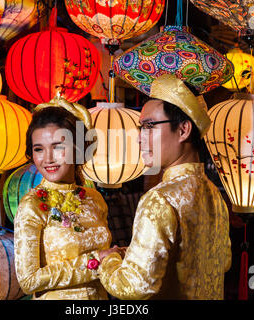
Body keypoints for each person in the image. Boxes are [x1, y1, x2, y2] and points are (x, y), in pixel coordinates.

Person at [98, 73, 232, 300]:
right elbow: (223, 261)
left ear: (183, 130)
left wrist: (108, 261)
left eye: (149, 126)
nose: (140, 138)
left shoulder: (160, 199)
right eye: (140, 128)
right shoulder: (213, 193)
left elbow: (135, 287)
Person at [14, 96, 112, 300]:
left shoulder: (94, 199)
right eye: (39, 149)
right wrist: (94, 261)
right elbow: (28, 280)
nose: (48, 158)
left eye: (58, 146)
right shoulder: (33, 206)